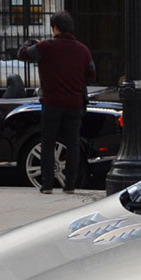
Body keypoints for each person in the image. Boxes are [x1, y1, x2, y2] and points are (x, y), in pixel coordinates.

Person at [18, 11, 96, 194]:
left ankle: (47, 186)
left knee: (48, 143)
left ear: (55, 28)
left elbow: (22, 54)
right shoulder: (83, 50)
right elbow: (92, 74)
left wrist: (29, 43)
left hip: (51, 103)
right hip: (75, 103)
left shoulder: (45, 48)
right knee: (73, 143)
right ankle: (70, 185)